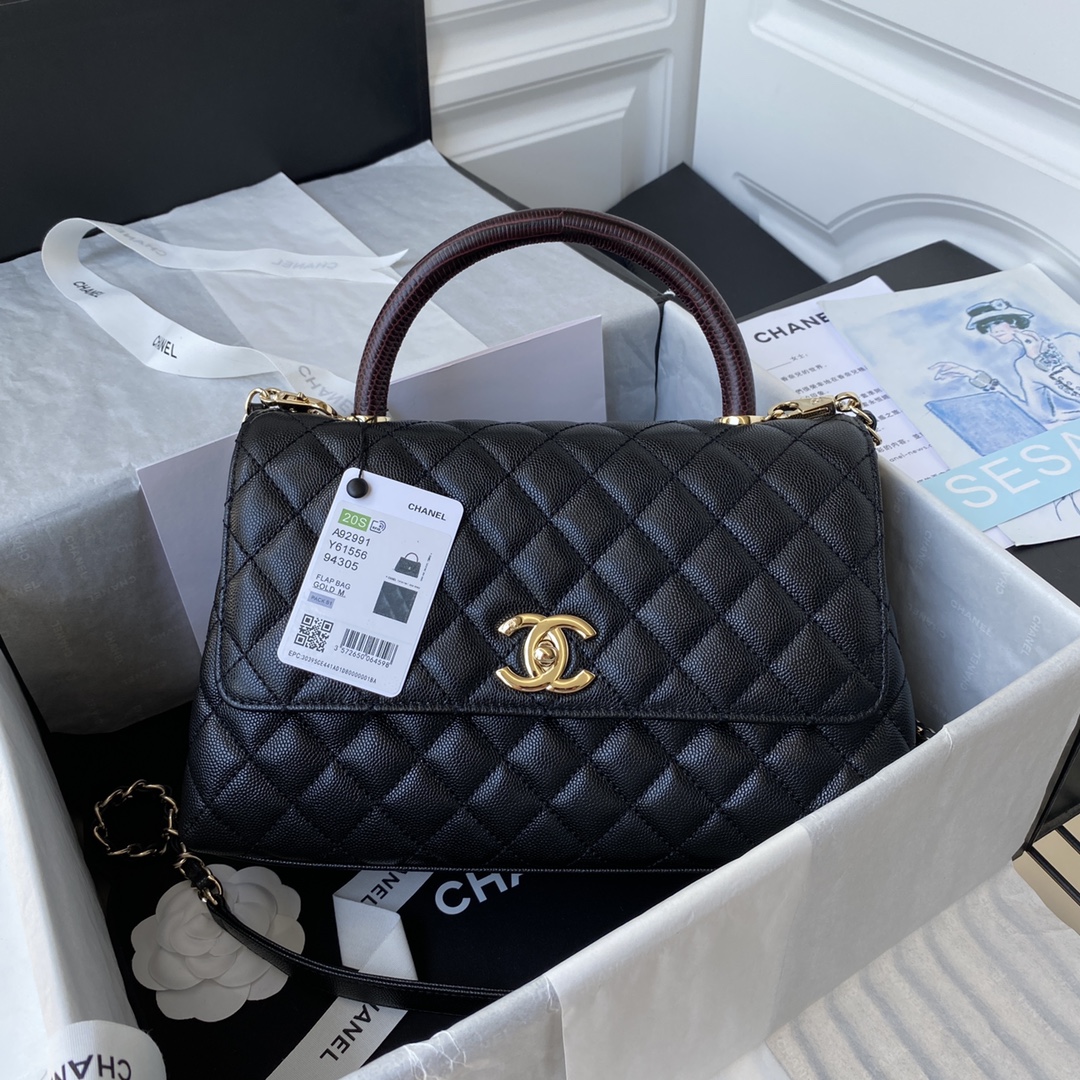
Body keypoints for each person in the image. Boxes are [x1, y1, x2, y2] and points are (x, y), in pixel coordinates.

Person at [930, 298, 1080, 424]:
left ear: (1014, 320)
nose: (993, 331)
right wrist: (975, 376)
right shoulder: (1024, 366)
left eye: (997, 322)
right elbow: (1043, 416)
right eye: (987, 327)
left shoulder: (1070, 341)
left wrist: (1040, 359)